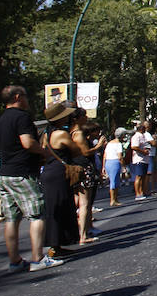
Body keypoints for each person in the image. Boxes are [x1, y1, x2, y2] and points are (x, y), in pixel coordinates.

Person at [0, 86, 63, 272]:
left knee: (11, 219)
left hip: (3, 174)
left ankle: (14, 261)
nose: (27, 99)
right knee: (37, 214)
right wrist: (45, 152)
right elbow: (27, 142)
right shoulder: (22, 117)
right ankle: (38, 258)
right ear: (17, 97)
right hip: (22, 173)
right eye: (25, 96)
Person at [40, 101, 82, 256]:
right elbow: (76, 150)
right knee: (62, 207)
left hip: (49, 171)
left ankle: (56, 244)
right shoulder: (61, 134)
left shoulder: (46, 133)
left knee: (54, 208)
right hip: (59, 173)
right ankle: (55, 245)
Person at [71, 115, 106, 244]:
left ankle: (84, 230)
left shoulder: (71, 133)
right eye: (83, 116)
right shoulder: (78, 134)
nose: (86, 118)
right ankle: (83, 235)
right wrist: (99, 146)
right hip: (84, 168)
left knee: (81, 202)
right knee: (85, 203)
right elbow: (85, 152)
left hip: (78, 168)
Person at [102, 127, 127, 206]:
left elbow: (105, 155)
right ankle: (113, 199)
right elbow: (120, 157)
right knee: (114, 181)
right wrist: (123, 166)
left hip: (108, 162)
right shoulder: (118, 144)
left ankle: (115, 199)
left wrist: (103, 166)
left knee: (114, 181)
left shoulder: (109, 143)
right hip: (115, 162)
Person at [129, 122, 151, 200]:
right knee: (139, 176)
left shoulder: (142, 136)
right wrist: (143, 152)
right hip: (139, 159)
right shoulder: (136, 136)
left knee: (143, 176)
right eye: (144, 128)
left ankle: (142, 192)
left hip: (145, 159)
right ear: (141, 129)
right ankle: (137, 194)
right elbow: (134, 147)